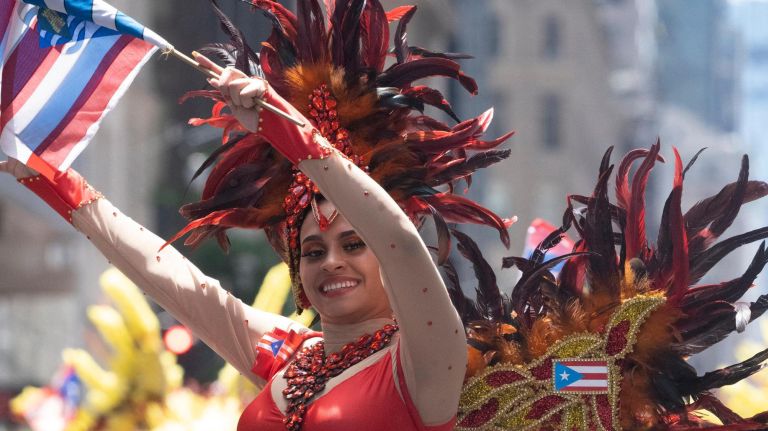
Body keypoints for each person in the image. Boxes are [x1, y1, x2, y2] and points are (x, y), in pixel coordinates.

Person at [1, 1, 514, 430]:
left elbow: (398, 237)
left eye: (353, 244)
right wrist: (49, 178)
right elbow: (173, 280)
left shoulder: (427, 357)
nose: (331, 261)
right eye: (312, 251)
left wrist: (285, 130)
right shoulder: (290, 358)